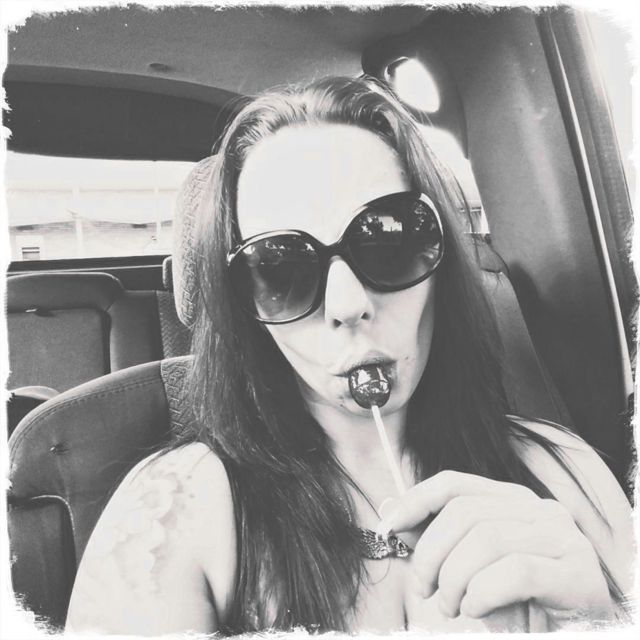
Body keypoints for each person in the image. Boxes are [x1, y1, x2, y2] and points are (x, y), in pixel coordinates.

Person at [65, 76, 634, 635]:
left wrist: (595, 621)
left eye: (389, 241)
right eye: (281, 269)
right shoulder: (172, 516)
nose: (348, 304)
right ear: (243, 307)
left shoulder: (564, 473)